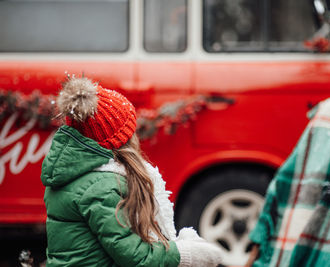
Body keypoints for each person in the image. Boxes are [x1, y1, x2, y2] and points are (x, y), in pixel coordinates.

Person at [41, 76, 222, 267]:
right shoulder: (101, 188)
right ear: (119, 139)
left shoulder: (79, 174)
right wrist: (188, 254)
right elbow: (137, 257)